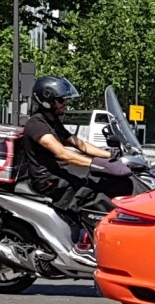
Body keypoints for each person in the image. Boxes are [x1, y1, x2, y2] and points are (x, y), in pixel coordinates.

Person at [20, 76, 132, 246]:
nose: (65, 103)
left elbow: (80, 144)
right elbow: (62, 153)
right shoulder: (37, 125)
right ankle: (83, 240)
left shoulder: (53, 121)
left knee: (101, 181)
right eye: (60, 100)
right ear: (47, 100)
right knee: (92, 192)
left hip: (57, 172)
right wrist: (95, 164)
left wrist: (109, 155)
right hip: (48, 180)